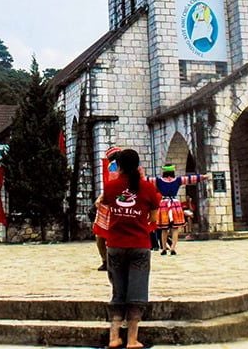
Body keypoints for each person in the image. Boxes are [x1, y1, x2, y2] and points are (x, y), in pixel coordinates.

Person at [100, 148, 161, 349]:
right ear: (137, 165)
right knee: (137, 291)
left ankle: (114, 337)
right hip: (139, 245)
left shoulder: (111, 187)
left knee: (118, 290)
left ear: (119, 166)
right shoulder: (148, 188)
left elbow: (102, 205)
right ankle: (132, 339)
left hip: (115, 245)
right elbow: (153, 218)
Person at [153, 164, 204, 255]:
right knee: (175, 228)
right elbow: (191, 179)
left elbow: (146, 180)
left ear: (164, 172)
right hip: (175, 205)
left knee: (164, 228)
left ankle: (164, 248)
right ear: (173, 171)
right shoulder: (177, 180)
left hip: (164, 204)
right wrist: (204, 177)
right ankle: (172, 248)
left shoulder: (158, 181)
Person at [93, 146, 122, 271]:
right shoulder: (114, 166)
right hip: (114, 204)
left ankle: (107, 261)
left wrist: (101, 197)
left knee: (101, 235)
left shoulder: (114, 166)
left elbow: (113, 185)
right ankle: (109, 261)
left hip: (113, 205)